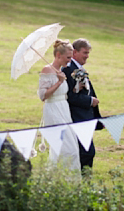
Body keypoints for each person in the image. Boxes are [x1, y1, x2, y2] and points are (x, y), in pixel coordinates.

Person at [37, 39, 81, 172]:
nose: (70, 60)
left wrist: (76, 88)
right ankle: (64, 179)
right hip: (53, 110)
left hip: (64, 109)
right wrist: (59, 82)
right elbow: (43, 96)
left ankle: (59, 179)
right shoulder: (47, 70)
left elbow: (62, 93)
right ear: (58, 55)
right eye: (68, 57)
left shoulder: (61, 71)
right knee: (67, 149)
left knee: (70, 147)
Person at [62, 38, 104, 172]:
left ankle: (82, 182)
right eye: (85, 53)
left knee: (85, 153)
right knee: (86, 153)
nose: (87, 56)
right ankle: (83, 183)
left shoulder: (78, 68)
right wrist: (90, 101)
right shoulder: (69, 70)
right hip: (77, 117)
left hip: (85, 116)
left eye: (88, 53)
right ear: (75, 52)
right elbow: (70, 96)